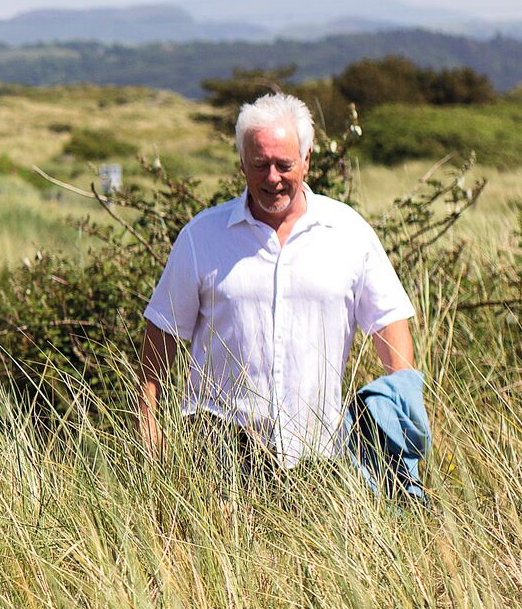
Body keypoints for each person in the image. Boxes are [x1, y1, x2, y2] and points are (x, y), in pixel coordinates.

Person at [137, 90, 416, 471]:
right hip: (218, 455)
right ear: (241, 163)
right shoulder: (201, 237)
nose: (272, 178)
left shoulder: (349, 232)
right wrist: (148, 419)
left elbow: (388, 319)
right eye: (259, 164)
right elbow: (162, 330)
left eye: (284, 165)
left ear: (307, 159)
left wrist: (403, 407)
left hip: (320, 456)